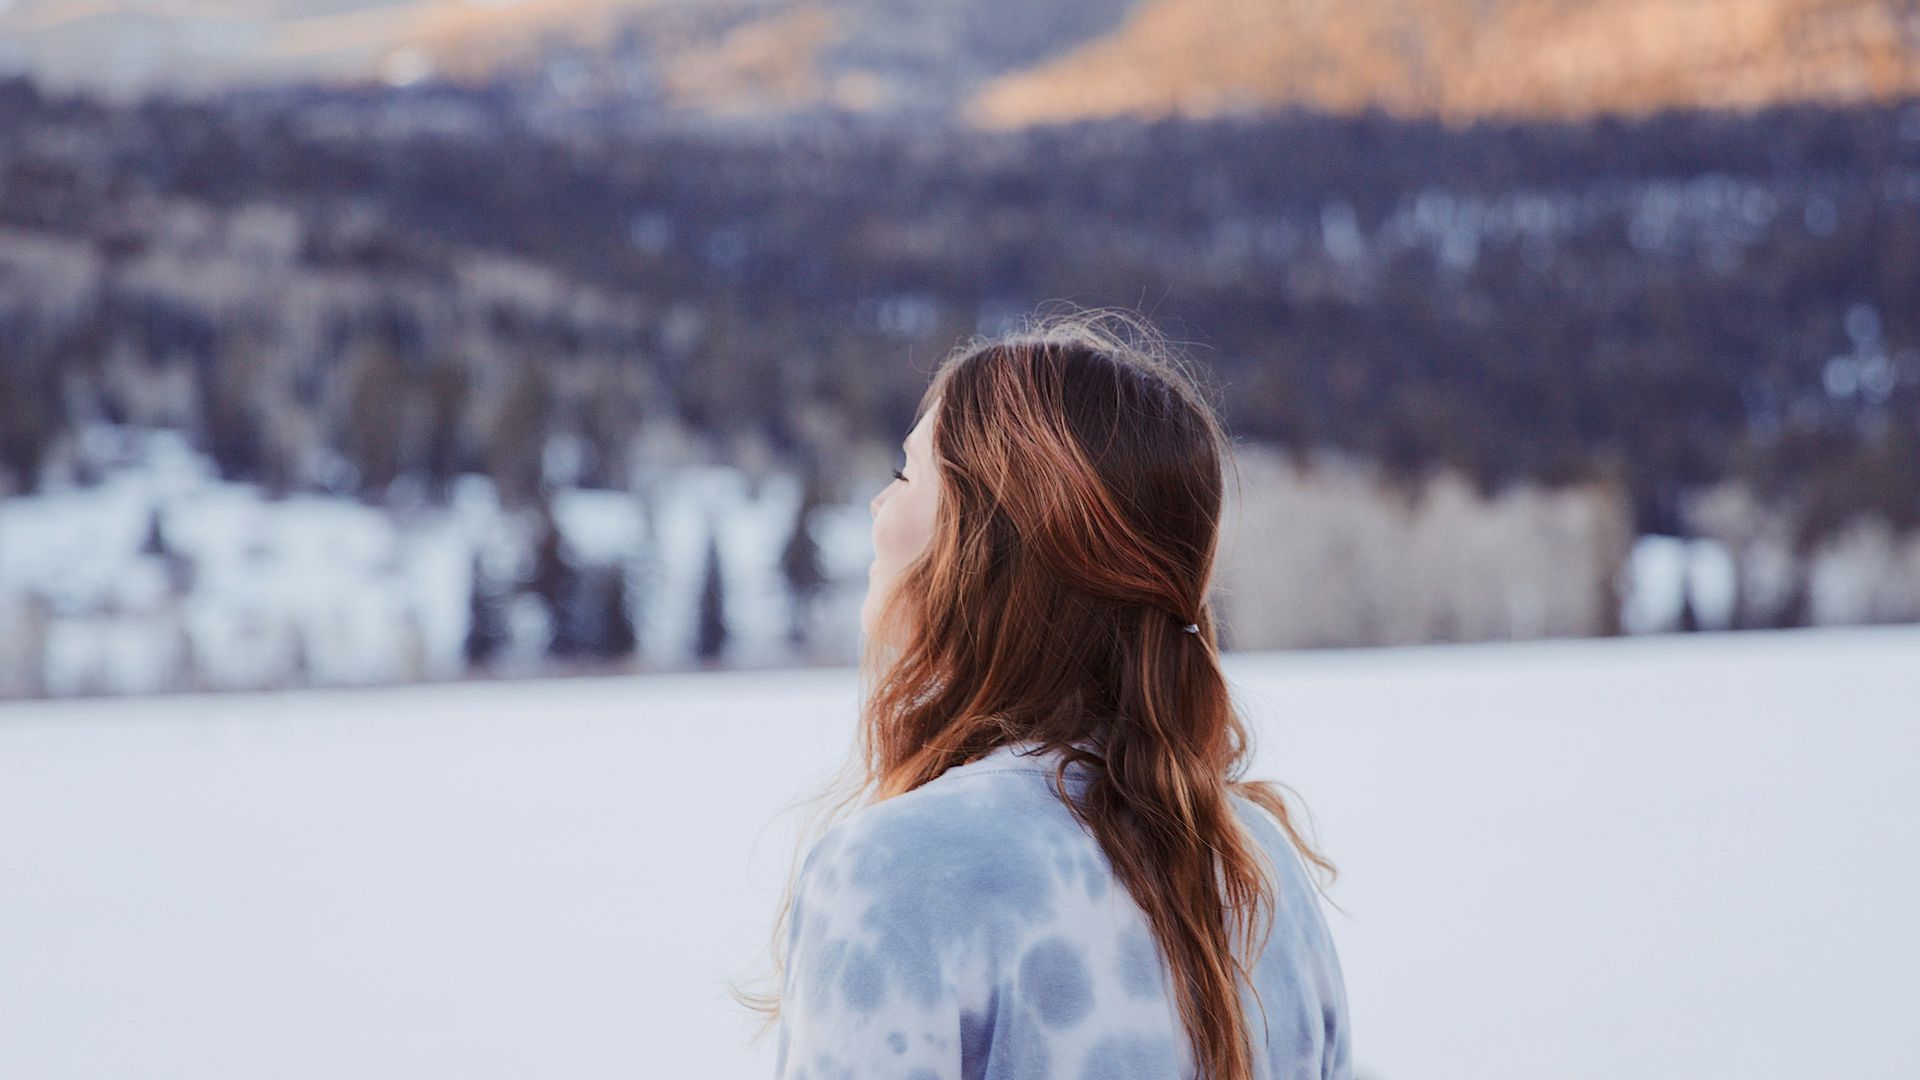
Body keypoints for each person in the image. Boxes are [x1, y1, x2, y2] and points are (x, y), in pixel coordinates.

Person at [735, 308, 1351, 1080]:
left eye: (906, 473)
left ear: (984, 541)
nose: (877, 505)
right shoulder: (1256, 865)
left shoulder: (900, 872)